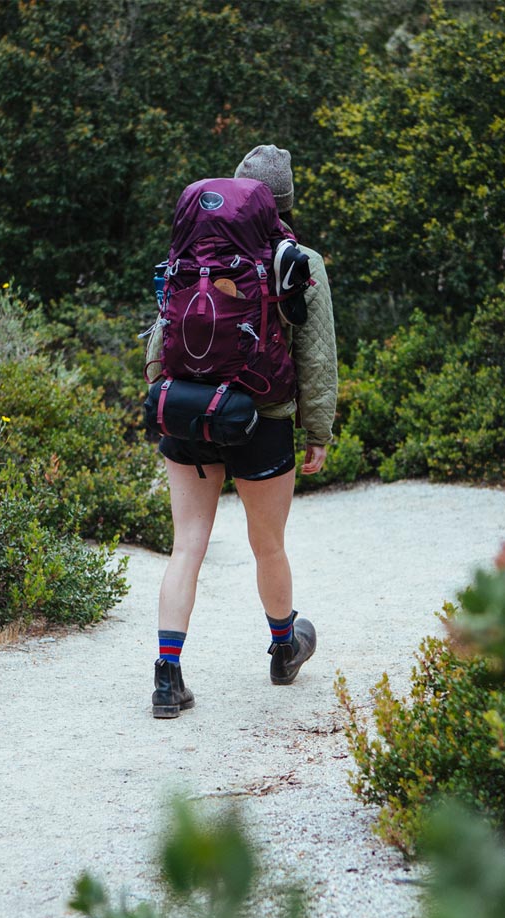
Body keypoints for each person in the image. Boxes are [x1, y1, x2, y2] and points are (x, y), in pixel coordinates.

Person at [151, 144, 338, 719]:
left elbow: (163, 334)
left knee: (187, 546)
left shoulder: (193, 250)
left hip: (188, 410)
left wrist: (165, 398)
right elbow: (316, 355)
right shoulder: (297, 258)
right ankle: (284, 650)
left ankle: (167, 678)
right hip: (264, 418)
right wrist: (318, 431)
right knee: (268, 545)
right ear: (283, 200)